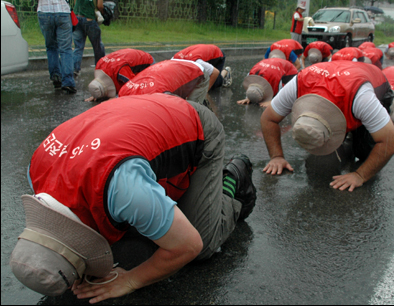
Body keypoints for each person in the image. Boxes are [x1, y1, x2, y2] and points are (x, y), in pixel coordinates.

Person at [12, 93, 257, 302]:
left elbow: (188, 245)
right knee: (142, 224)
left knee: (203, 243)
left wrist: (130, 281)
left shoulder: (122, 188)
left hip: (196, 125)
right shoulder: (36, 170)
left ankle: (234, 178)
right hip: (145, 110)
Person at [260, 61, 394, 192]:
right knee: (321, 163)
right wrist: (276, 156)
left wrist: (360, 175)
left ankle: (370, 124)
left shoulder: (361, 98)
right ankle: (351, 130)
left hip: (374, 82)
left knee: (364, 152)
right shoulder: (299, 84)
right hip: (339, 83)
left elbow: (390, 142)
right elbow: (268, 119)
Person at [29, 0, 76, 94]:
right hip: (63, 12)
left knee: (51, 47)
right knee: (66, 49)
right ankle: (68, 82)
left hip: (45, 12)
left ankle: (56, 77)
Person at [119, 59, 219, 105]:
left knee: (190, 111)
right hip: (174, 66)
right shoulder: (123, 92)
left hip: (197, 71)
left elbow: (177, 110)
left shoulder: (161, 96)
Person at [86, 49, 155, 102]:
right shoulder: (100, 65)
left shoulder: (120, 70)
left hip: (148, 62)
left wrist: (117, 97)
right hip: (127, 58)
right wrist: (96, 93)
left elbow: (134, 86)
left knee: (145, 89)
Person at [73, 0, 106, 77]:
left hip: (77, 19)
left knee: (78, 46)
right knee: (98, 46)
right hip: (89, 20)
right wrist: (102, 12)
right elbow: (99, 5)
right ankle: (100, 69)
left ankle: (75, 69)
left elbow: (76, 2)